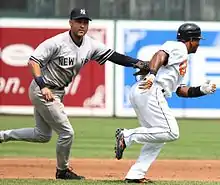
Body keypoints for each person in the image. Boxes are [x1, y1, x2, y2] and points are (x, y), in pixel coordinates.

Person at [0, 8, 149, 180]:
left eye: (85, 22)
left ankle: (2, 136)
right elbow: (33, 61)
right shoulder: (57, 42)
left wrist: (137, 63)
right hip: (44, 90)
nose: (82, 25)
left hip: (56, 91)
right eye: (79, 21)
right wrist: (43, 86)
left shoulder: (90, 44)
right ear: (70, 23)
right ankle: (62, 171)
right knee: (67, 133)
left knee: (42, 135)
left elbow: (114, 56)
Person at [114, 23, 217, 183]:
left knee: (158, 136)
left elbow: (180, 91)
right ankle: (127, 135)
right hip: (151, 90)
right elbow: (160, 55)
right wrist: (152, 75)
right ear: (190, 40)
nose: (198, 43)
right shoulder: (178, 48)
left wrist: (202, 90)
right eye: (197, 40)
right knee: (171, 132)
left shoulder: (182, 59)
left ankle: (135, 174)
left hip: (144, 91)